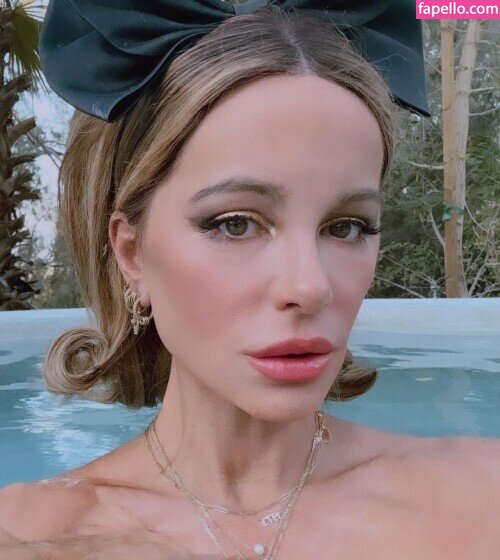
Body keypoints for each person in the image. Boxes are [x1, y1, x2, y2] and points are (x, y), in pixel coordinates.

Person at [0, 1, 498, 558]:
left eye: (347, 227)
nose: (310, 286)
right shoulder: (30, 536)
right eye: (235, 224)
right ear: (132, 253)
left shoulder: (484, 494)